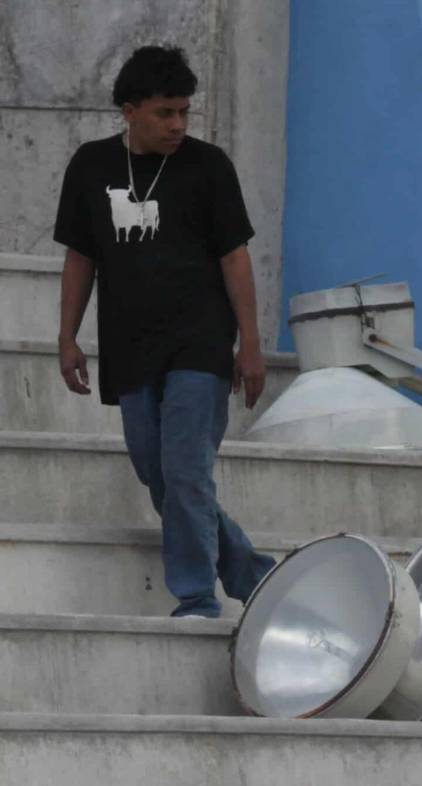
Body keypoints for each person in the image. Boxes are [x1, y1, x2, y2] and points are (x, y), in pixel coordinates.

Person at [54, 45, 275, 618]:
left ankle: (197, 597)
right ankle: (252, 573)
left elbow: (235, 258)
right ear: (129, 111)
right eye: (165, 113)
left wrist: (250, 343)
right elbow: (81, 256)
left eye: (184, 112)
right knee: (159, 475)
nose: (178, 124)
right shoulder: (91, 165)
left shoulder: (209, 166)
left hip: (199, 344)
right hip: (129, 346)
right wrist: (67, 335)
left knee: (184, 470)